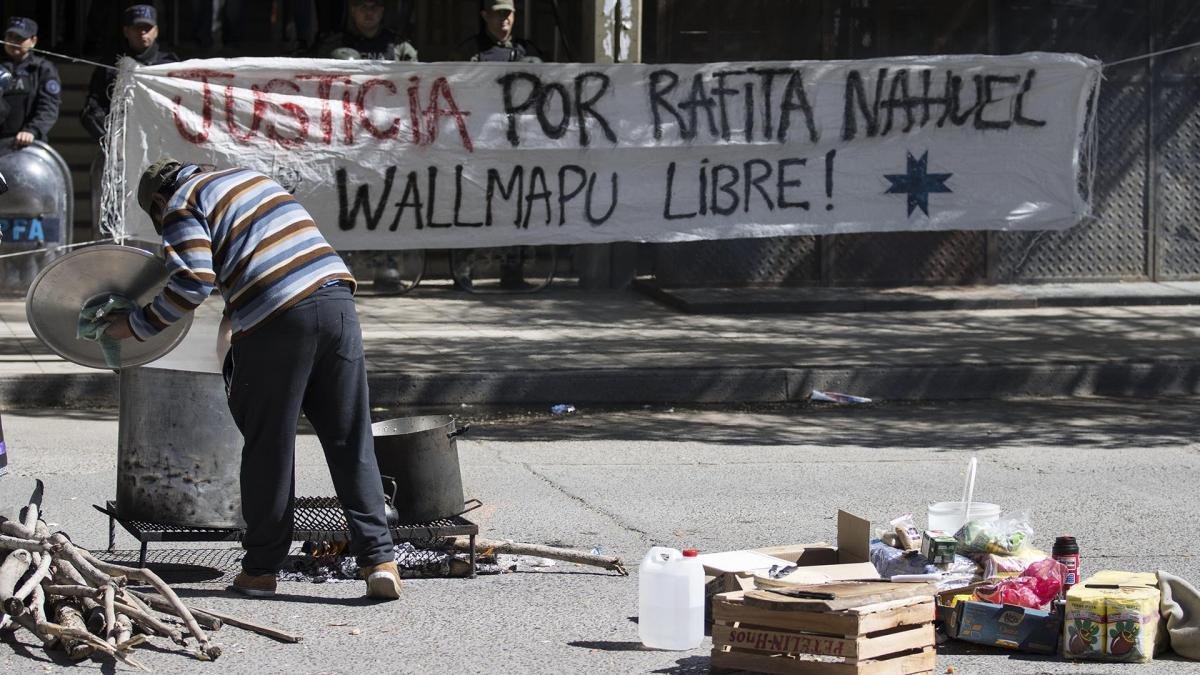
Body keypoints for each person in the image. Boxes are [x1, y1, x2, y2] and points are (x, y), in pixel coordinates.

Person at [105, 158, 403, 600]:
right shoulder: (251, 180)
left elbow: (192, 281)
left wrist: (135, 326)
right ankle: (379, 560)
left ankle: (262, 569)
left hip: (279, 320)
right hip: (337, 300)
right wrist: (236, 313)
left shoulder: (181, 202)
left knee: (269, 446)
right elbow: (262, 258)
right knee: (349, 438)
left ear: (158, 203)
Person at [81, 5, 179, 234]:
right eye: (137, 28)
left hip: (160, 156)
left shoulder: (170, 66)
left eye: (147, 28)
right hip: (119, 161)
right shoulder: (110, 67)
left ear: (156, 30)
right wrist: (112, 139)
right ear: (126, 31)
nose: (142, 33)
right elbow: (91, 111)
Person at [0, 17, 60, 149]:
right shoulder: (2, 68)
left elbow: (49, 107)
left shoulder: (42, 69)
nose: (13, 42)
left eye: (19, 38)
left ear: (33, 41)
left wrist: (32, 130)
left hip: (28, 145)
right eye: (10, 36)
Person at [316, 0, 416, 61]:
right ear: (353, 11)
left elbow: (415, 76)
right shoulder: (332, 45)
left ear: (382, 11)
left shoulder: (400, 47)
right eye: (363, 7)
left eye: (374, 7)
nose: (369, 12)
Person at [461, 0, 542, 63]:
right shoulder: (470, 49)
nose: (503, 17)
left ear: (514, 15)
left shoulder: (527, 50)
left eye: (507, 12)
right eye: (498, 12)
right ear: (485, 16)